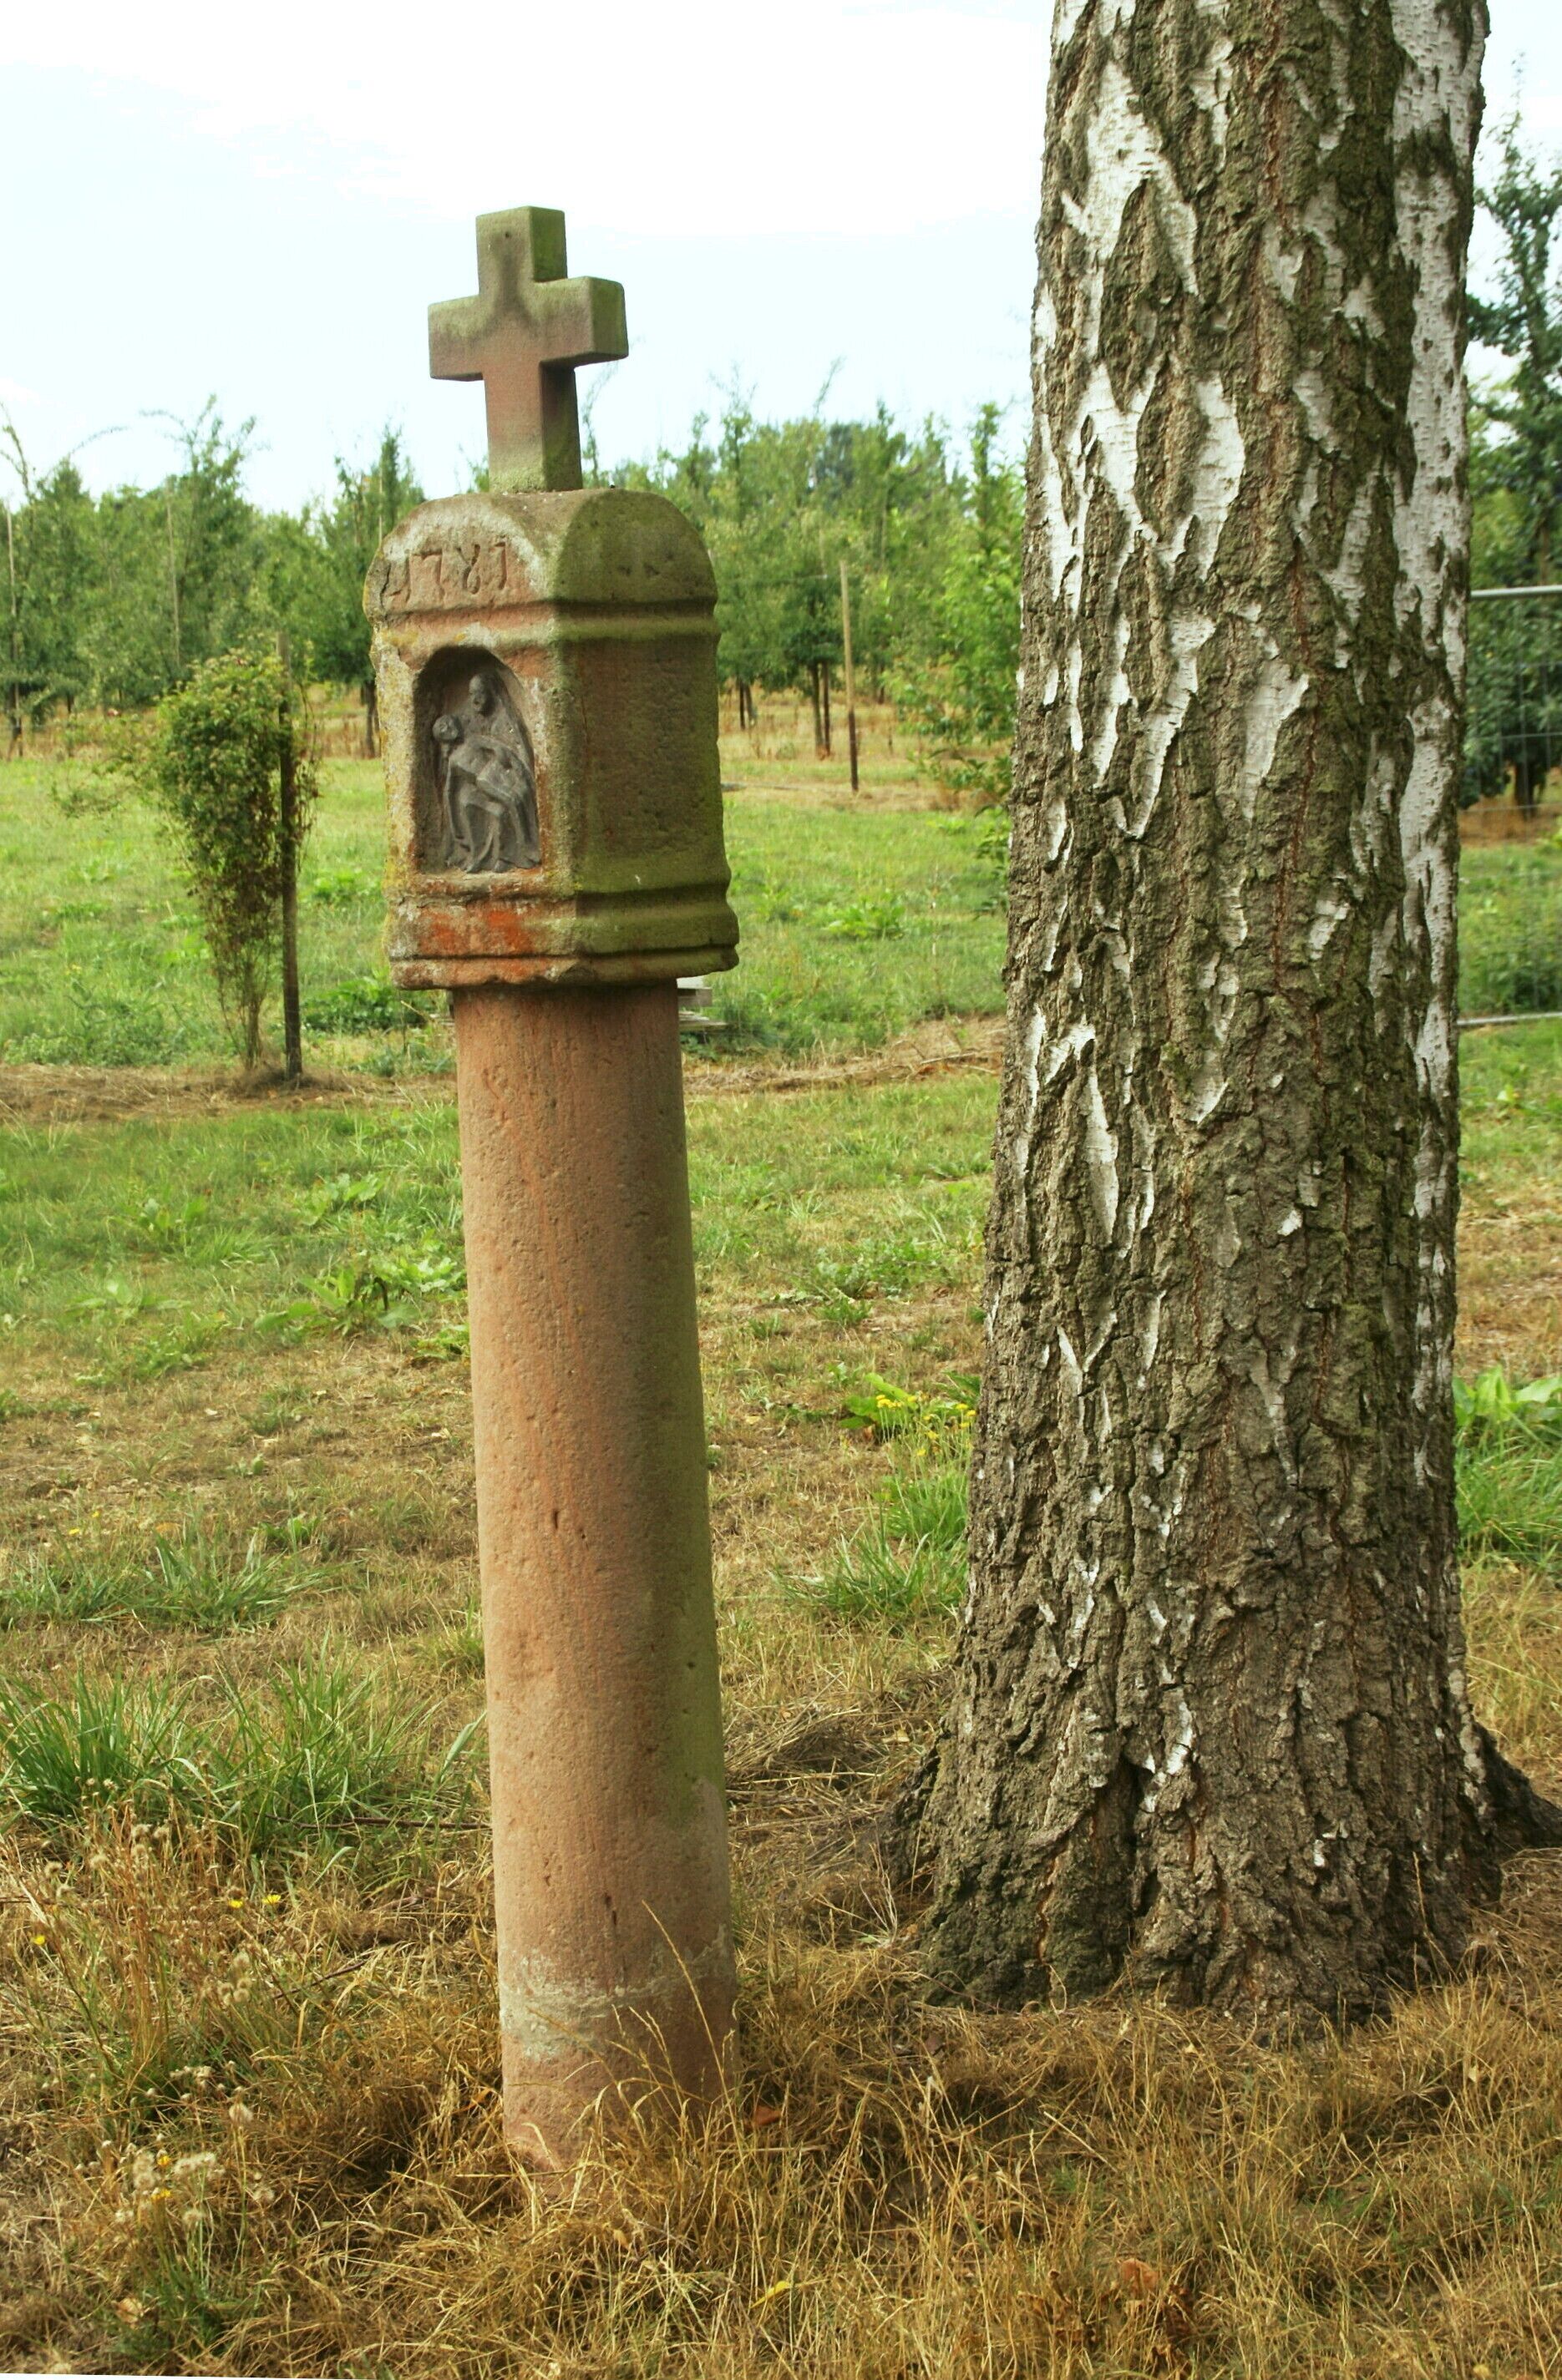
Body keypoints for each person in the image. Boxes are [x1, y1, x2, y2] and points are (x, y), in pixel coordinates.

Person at [434, 672, 539, 871]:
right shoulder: (454, 760)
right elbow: (450, 788)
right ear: (443, 740)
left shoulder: (476, 736)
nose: (476, 699)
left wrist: (502, 753)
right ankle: (523, 848)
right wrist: (455, 827)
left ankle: (527, 844)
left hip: (496, 771)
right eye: (442, 730)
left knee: (517, 797)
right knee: (508, 801)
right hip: (484, 780)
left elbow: (495, 746)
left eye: (480, 692)